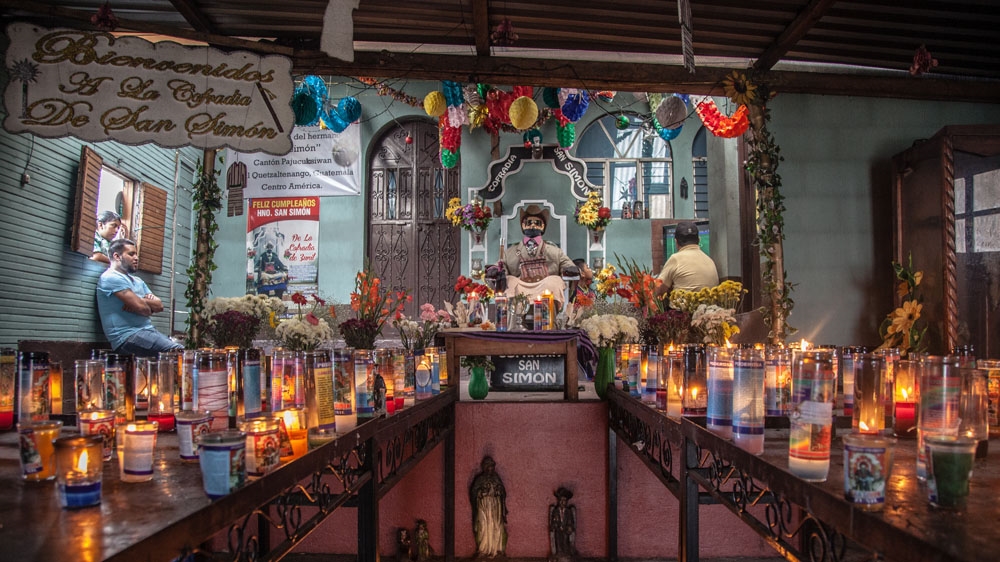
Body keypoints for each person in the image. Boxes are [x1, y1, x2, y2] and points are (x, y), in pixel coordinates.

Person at [96, 238, 183, 357]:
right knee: (178, 352)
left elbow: (159, 306)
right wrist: (145, 306)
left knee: (182, 352)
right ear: (117, 256)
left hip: (147, 332)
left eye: (136, 254)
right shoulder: (110, 277)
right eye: (131, 254)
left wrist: (139, 300)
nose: (136, 258)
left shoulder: (138, 281)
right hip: (127, 337)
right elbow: (144, 309)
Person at [498, 205, 578, 308]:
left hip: (545, 288)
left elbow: (567, 264)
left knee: (554, 281)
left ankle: (549, 323)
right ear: (523, 225)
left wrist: (570, 269)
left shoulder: (555, 252)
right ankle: (514, 323)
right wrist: (496, 271)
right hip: (520, 289)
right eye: (529, 222)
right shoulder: (509, 253)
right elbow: (500, 266)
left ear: (543, 226)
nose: (533, 226)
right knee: (510, 281)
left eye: (537, 223)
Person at [655, 221, 719, 299]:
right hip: (710, 309)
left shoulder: (675, 259)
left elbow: (658, 290)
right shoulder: (710, 260)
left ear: (676, 242)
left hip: (683, 310)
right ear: (699, 240)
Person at [469, 455, 507, 558]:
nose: (491, 469)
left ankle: (497, 549)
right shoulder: (480, 479)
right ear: (485, 467)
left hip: (495, 506)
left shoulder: (496, 478)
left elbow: (503, 491)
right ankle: (483, 549)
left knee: (497, 526)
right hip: (484, 506)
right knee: (483, 526)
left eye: (492, 466)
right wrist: (480, 493)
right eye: (489, 466)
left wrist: (499, 491)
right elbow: (473, 492)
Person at [548, 487, 577, 562]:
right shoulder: (555, 511)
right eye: (560, 500)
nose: (562, 502)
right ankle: (559, 553)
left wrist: (569, 527)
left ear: (567, 502)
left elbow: (571, 521)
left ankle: (566, 553)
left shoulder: (568, 512)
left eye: (564, 500)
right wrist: (555, 525)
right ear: (558, 500)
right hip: (558, 530)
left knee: (565, 540)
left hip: (565, 531)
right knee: (558, 540)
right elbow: (553, 521)